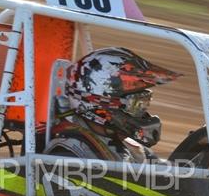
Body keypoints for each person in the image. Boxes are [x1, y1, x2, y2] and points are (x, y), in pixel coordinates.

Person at [45, 47, 181, 162]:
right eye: (136, 104)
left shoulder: (132, 148)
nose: (142, 112)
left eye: (144, 103)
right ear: (102, 104)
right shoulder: (69, 154)